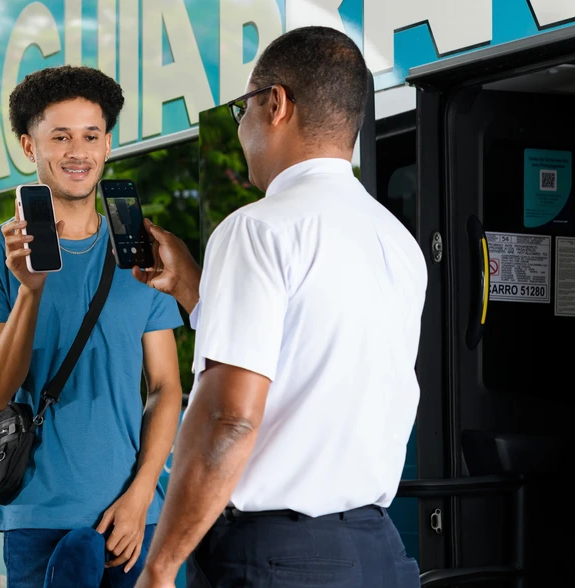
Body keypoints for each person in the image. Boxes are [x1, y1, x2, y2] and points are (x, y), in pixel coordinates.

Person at [130, 27, 428, 588]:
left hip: (276, 558)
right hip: (379, 555)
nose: (241, 126)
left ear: (275, 104)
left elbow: (230, 418)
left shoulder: (256, 229)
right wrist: (196, 292)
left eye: (244, 107)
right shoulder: (397, 242)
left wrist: (160, 566)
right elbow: (309, 357)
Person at [0, 65, 184, 587]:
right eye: (60, 136)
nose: (77, 151)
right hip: (37, 518)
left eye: (91, 135)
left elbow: (167, 386)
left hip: (134, 518)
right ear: (29, 147)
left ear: (106, 146)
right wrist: (29, 291)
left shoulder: (139, 253)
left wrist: (143, 492)